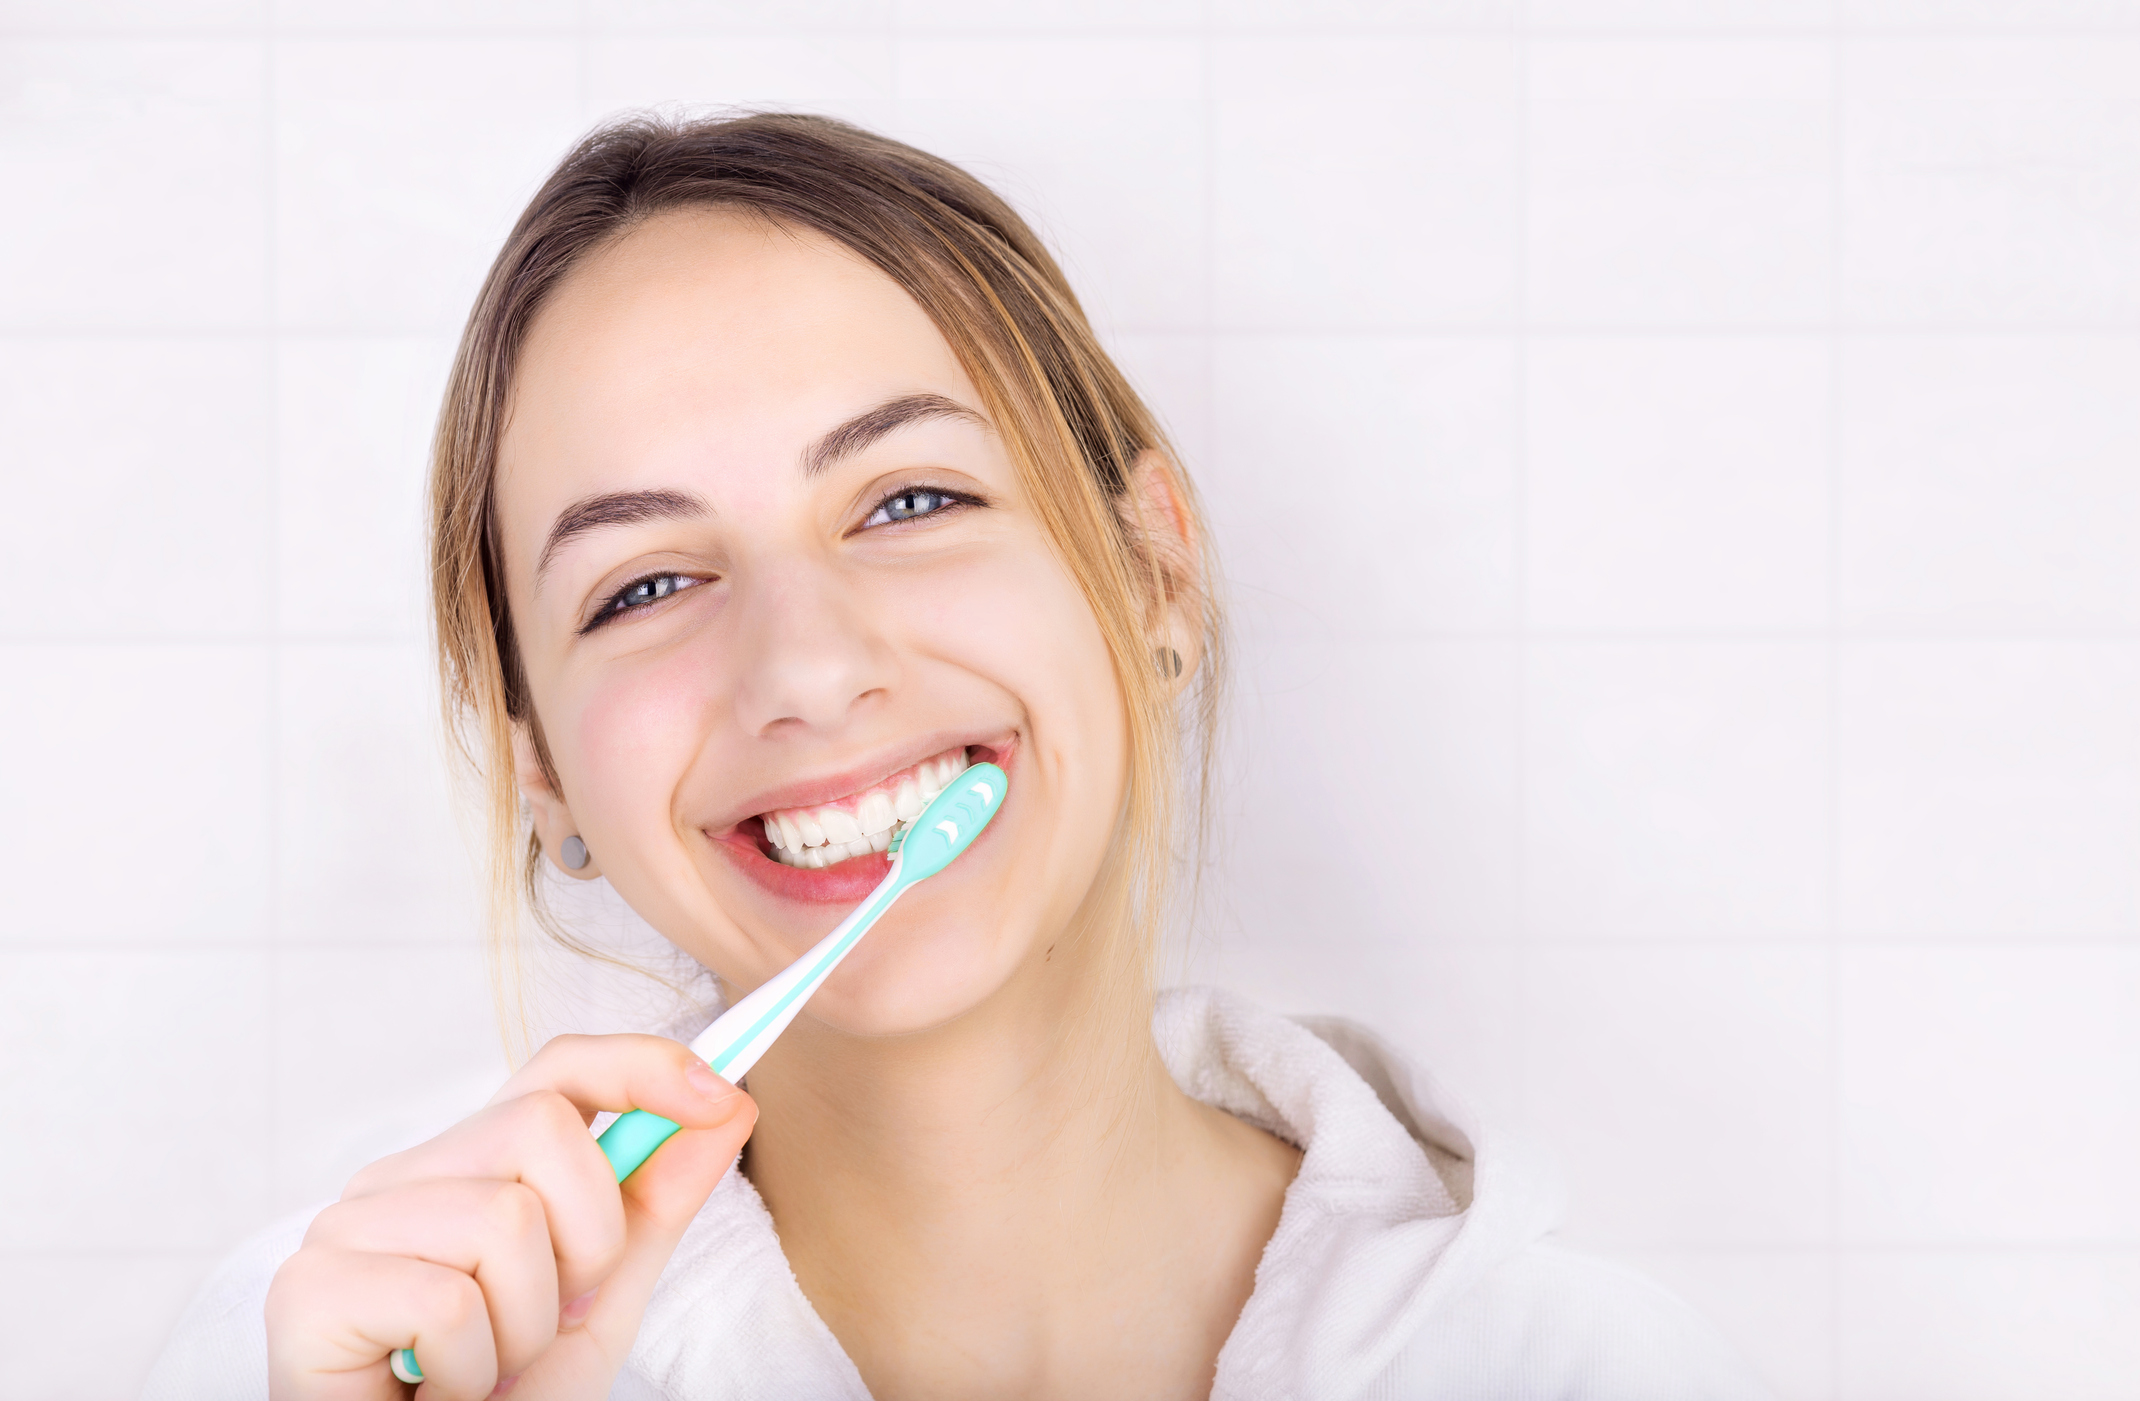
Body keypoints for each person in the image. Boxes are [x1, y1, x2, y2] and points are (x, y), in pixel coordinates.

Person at [146, 112, 1770, 1401]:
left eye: (910, 500)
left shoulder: (1580, 1371)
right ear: (544, 772)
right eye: (646, 584)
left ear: (1152, 571)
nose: (807, 664)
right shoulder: (328, 1357)